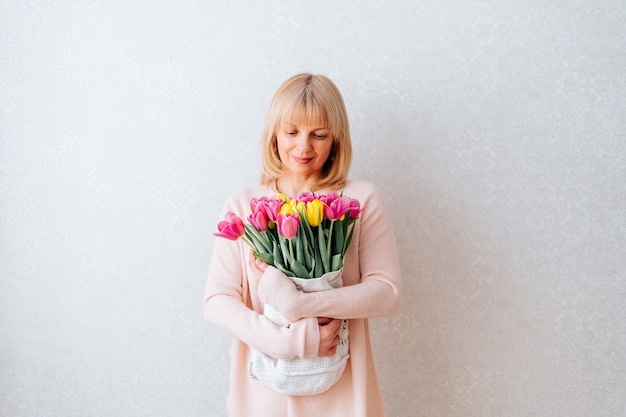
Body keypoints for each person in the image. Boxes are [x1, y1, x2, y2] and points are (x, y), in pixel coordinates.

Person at [204, 73, 402, 416]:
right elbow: (217, 301)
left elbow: (386, 293)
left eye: (319, 134)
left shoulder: (358, 200)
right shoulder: (243, 206)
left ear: (336, 138)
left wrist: (296, 303)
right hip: (262, 391)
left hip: (341, 392)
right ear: (274, 136)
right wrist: (288, 342)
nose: (303, 147)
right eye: (292, 132)